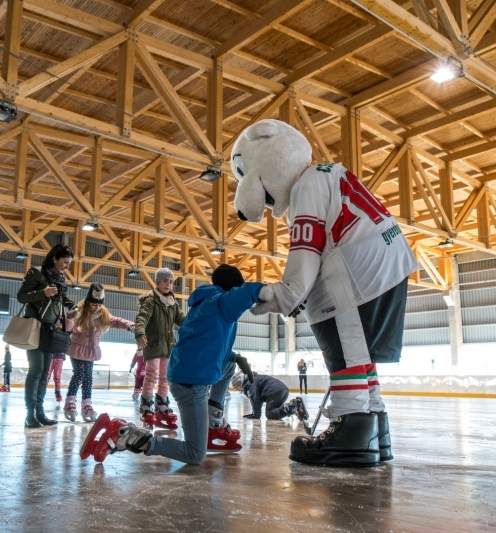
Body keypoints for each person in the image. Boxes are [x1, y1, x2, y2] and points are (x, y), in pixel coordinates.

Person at [231, 118, 417, 467]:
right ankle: (375, 429)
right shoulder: (328, 173)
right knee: (360, 356)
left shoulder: (305, 187)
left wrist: (283, 295)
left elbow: (307, 249)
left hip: (356, 270)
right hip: (388, 262)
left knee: (343, 353)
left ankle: (351, 434)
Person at [81, 264, 263, 465]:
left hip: (182, 365)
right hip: (190, 380)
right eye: (165, 281)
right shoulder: (221, 302)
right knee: (195, 454)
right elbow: (249, 292)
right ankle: (126, 434)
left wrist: (233, 356)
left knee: (228, 366)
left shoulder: (204, 303)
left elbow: (205, 341)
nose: (169, 285)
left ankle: (213, 422)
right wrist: (278, 292)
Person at [17, 243, 75, 429]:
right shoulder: (36, 273)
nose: (67, 266)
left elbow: (61, 299)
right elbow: (21, 296)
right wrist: (43, 293)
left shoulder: (60, 278)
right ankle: (30, 414)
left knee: (44, 373)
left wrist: (73, 307)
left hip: (50, 330)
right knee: (36, 370)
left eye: (69, 263)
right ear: (55, 259)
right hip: (34, 327)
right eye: (65, 262)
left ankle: (40, 412)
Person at [63, 283, 134, 423]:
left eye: (99, 305)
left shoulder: (102, 316)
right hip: (77, 350)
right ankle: (70, 402)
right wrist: (69, 317)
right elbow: (67, 327)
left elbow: (116, 321)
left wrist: (130, 325)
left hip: (90, 352)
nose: (97, 307)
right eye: (94, 305)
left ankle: (87, 405)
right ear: (88, 303)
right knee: (79, 374)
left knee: (88, 378)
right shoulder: (79, 313)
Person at [133, 268, 186, 429]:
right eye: (165, 281)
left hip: (168, 346)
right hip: (154, 344)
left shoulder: (172, 303)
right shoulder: (151, 301)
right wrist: (140, 333)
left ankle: (162, 406)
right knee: (151, 375)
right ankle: (146, 407)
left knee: (165, 377)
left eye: (171, 282)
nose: (168, 284)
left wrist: (197, 324)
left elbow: (182, 320)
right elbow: (142, 318)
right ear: (157, 282)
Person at [232, 370, 307, 421]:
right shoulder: (253, 379)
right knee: (275, 410)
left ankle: (292, 406)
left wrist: (256, 415)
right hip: (282, 390)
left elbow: (255, 399)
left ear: (239, 383)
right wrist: (255, 413)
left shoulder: (250, 384)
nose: (237, 390)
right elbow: (257, 399)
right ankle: (294, 408)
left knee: (270, 414)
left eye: (236, 388)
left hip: (274, 392)